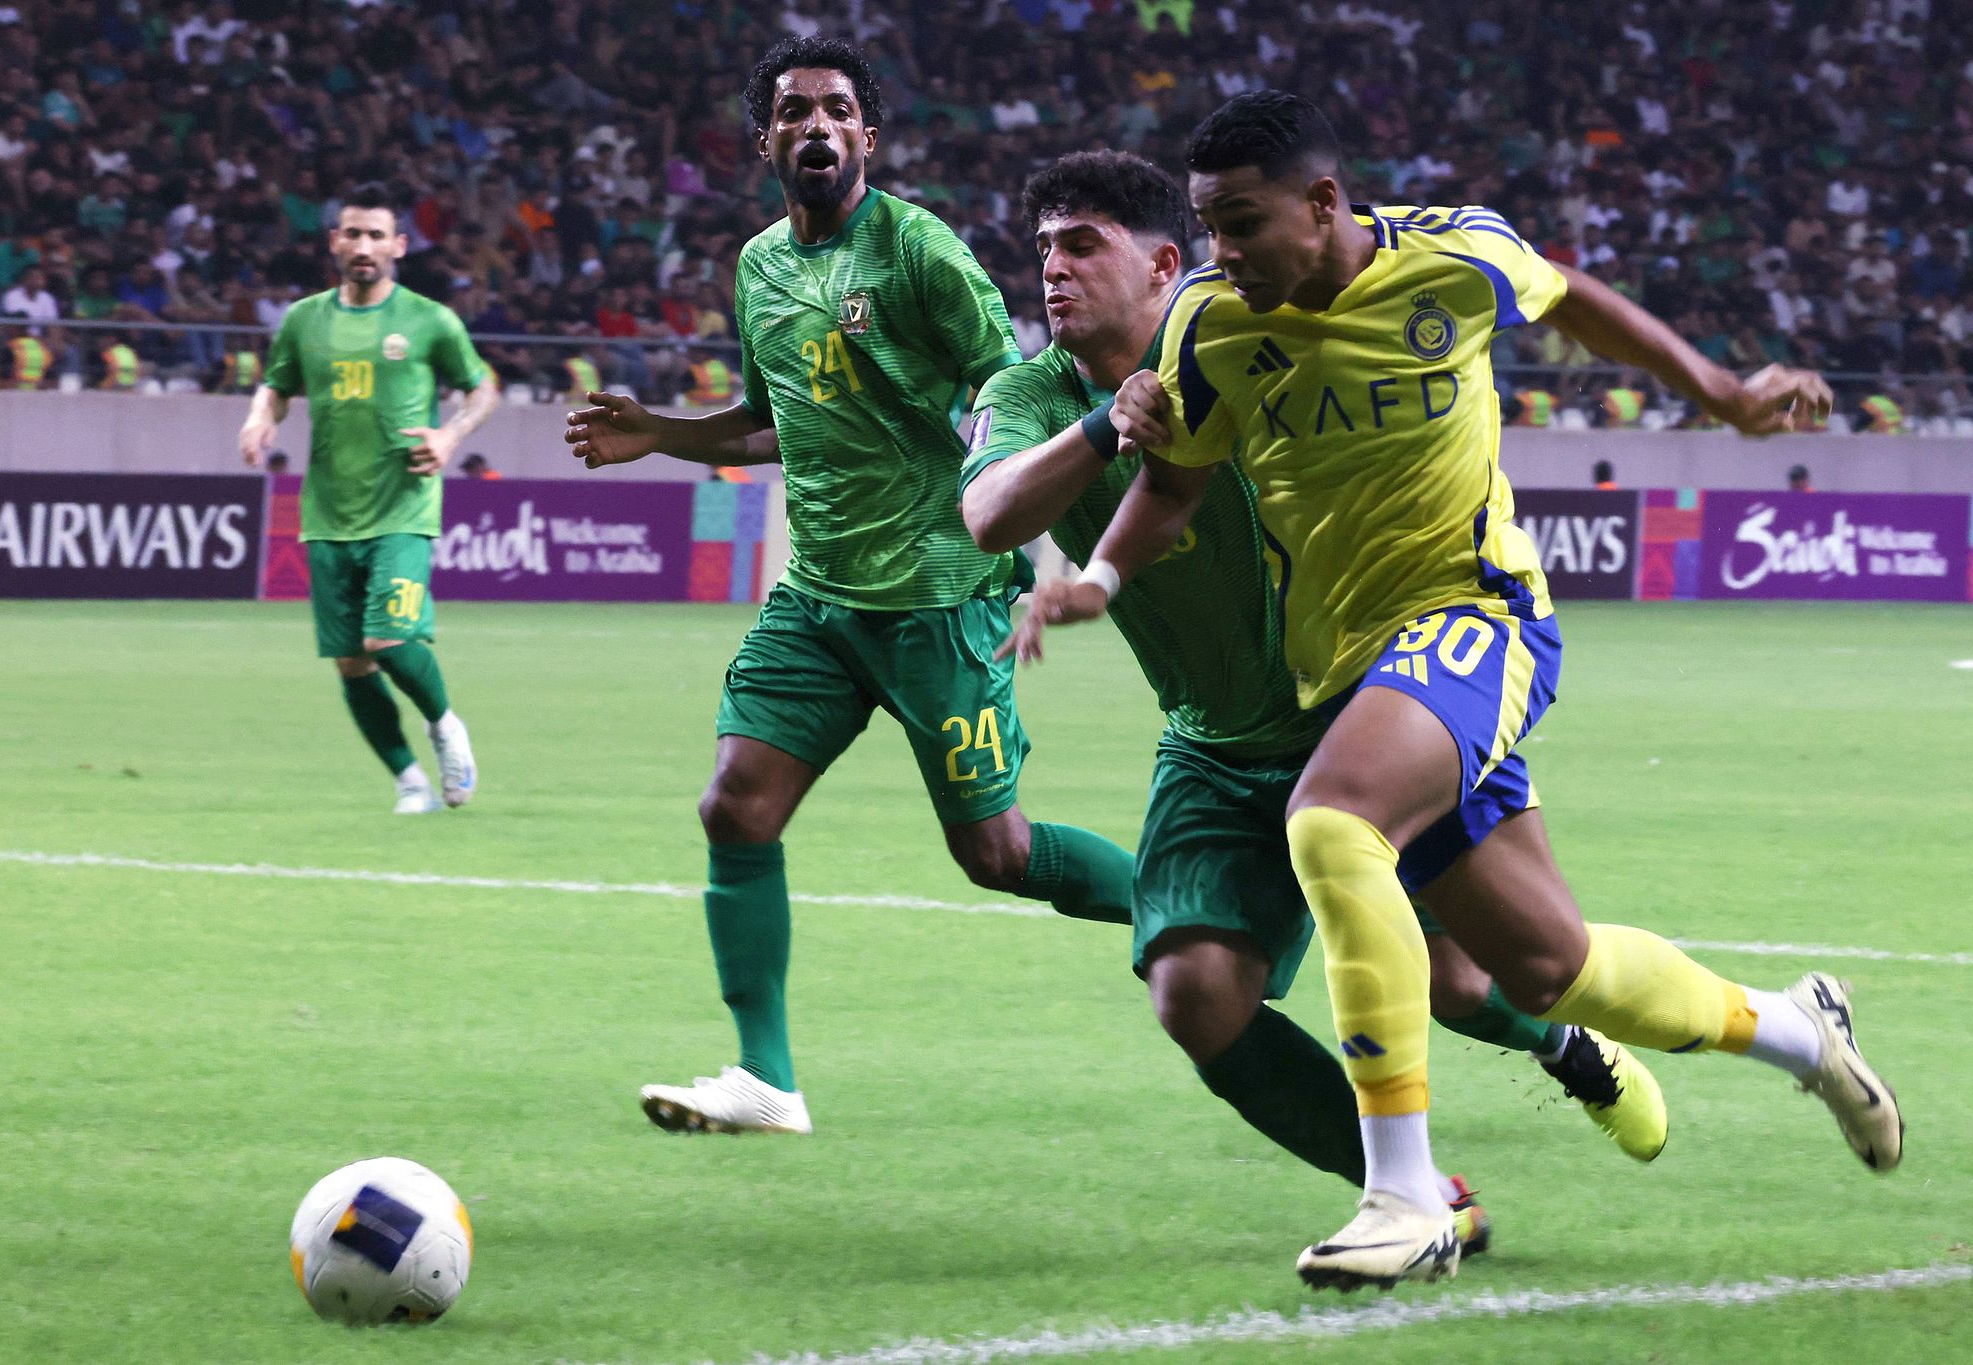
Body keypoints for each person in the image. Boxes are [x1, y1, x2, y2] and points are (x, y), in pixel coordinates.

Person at [1020, 93, 1900, 1291]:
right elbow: (1173, 481)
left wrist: (1716, 392)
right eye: (1209, 227)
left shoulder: (1451, 255)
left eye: (1241, 222)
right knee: (1545, 969)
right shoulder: (1211, 323)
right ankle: (1801, 1032)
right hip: (1348, 668)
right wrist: (1102, 572)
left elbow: (1573, 299)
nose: (1221, 252)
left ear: (1322, 203)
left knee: (1330, 824)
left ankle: (1403, 1194)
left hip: (1477, 615)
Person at [960, 151, 1667, 1227]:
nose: (1051, 269)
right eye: (1043, 248)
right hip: (1211, 741)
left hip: (1360, 708)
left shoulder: (1250, 343)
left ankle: (1572, 1047)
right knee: (1194, 998)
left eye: (1081, 245)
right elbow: (987, 515)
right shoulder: (1026, 395)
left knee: (1464, 986)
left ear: (1162, 264)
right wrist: (1108, 423)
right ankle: (1418, 1196)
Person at [563, 37, 1138, 1137]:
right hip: (819, 600)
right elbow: (778, 415)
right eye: (794, 110)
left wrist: (1037, 543)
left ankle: (1200, 913)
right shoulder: (759, 266)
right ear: (767, 138)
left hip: (936, 593)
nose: (815, 124)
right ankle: (765, 1080)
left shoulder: (918, 250)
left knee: (997, 856)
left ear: (865, 137)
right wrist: (659, 437)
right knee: (734, 806)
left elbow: (1009, 385)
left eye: (835, 109)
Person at [238, 181, 501, 815]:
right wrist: (257, 417)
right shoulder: (304, 320)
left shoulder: (428, 320)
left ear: (399, 246)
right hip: (328, 514)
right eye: (352, 233)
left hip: (403, 507)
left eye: (376, 235)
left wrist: (450, 435)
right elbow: (277, 386)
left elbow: (482, 387)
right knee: (352, 664)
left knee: (389, 640)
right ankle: (409, 780)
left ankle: (444, 727)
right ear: (334, 242)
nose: (364, 246)